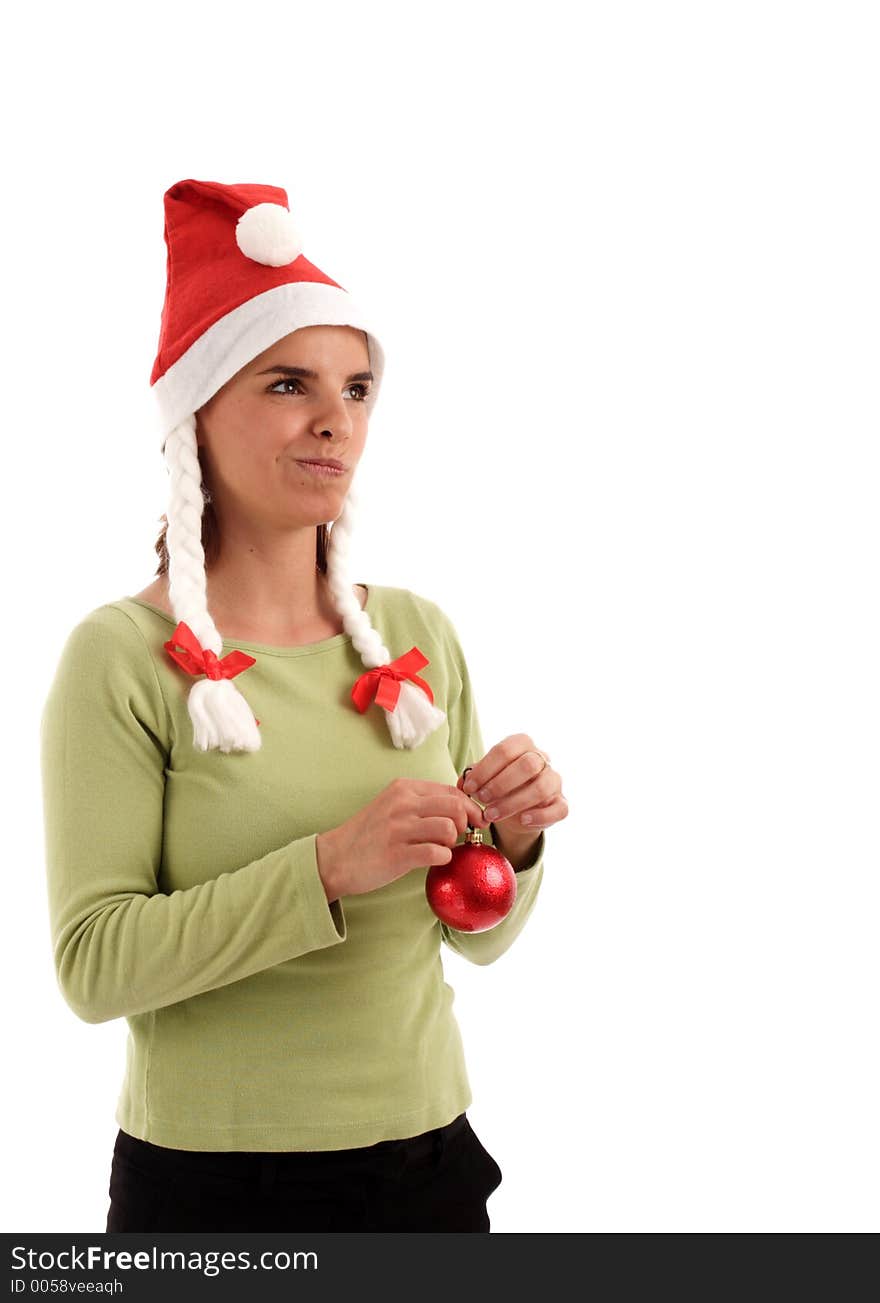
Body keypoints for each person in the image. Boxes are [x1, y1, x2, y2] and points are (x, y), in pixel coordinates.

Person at [39, 177, 568, 1233]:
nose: (336, 422)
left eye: (359, 389)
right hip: (216, 1189)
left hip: (431, 1164)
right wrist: (327, 868)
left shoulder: (417, 631)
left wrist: (509, 843)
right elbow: (94, 967)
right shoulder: (123, 657)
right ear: (198, 408)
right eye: (289, 385)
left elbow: (477, 941)